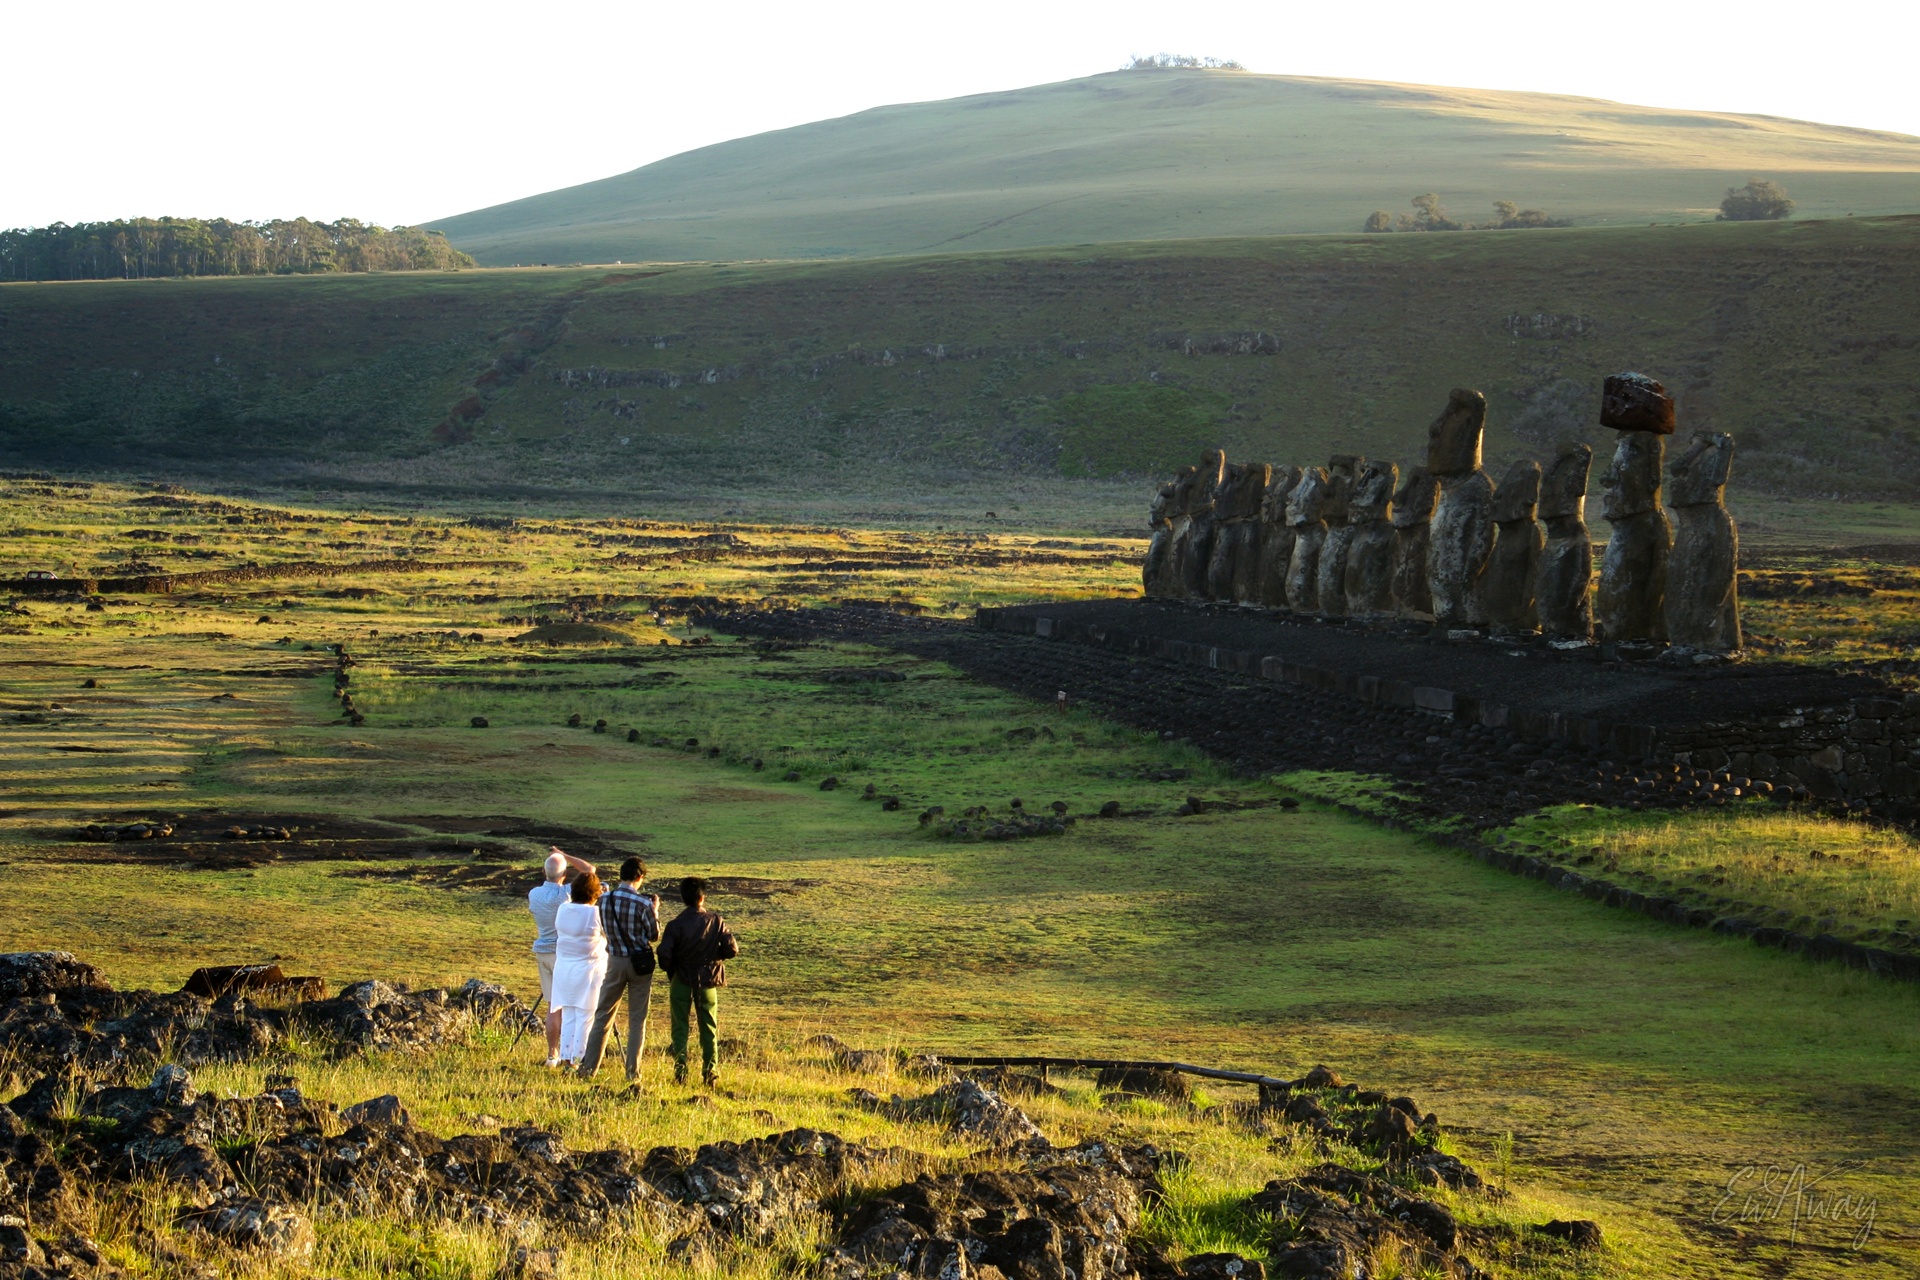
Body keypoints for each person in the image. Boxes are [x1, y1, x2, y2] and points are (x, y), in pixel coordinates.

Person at [580, 856, 660, 1084]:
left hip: (614, 960)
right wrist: (655, 911)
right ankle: (633, 1073)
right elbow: (653, 935)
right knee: (637, 1019)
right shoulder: (643, 904)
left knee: (603, 1015)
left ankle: (588, 1068)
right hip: (639, 964)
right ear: (640, 877)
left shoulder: (604, 900)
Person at [654, 876, 739, 1088]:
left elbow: (664, 954)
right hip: (707, 980)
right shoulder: (716, 921)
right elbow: (732, 949)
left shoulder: (675, 925)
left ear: (683, 898)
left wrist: (673, 968)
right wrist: (714, 958)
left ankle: (681, 1073)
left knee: (680, 1028)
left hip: (681, 979)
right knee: (709, 1027)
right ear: (702, 898)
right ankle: (711, 1073)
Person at [528, 845, 595, 1064]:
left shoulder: (534, 894)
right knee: (569, 1007)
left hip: (542, 952)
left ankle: (552, 1054)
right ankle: (572, 1054)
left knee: (552, 1006)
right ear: (564, 874)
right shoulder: (565, 894)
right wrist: (564, 855)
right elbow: (590, 871)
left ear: (543, 872)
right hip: (563, 954)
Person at [549, 870, 608, 1068]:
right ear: (595, 893)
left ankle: (567, 1057)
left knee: (569, 1014)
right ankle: (580, 1058)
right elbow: (607, 934)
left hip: (564, 969)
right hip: (589, 970)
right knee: (586, 1016)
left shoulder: (563, 909)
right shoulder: (596, 913)